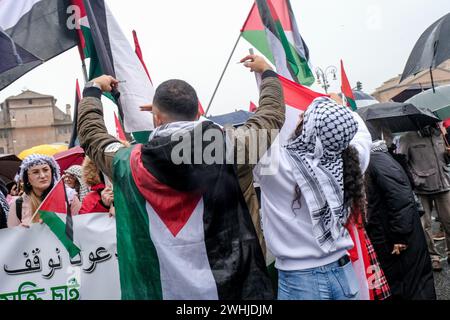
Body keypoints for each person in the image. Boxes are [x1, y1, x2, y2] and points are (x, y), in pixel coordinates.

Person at [77, 54, 282, 299]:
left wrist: (93, 89)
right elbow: (270, 116)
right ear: (198, 112)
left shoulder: (128, 163)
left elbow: (91, 135)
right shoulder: (233, 149)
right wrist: (268, 74)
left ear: (156, 117)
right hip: (236, 294)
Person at [253, 97, 372, 300]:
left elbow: (250, 137)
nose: (299, 116)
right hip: (344, 274)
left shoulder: (276, 164)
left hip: (300, 281)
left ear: (308, 129)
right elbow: (362, 133)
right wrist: (339, 107)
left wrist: (267, 76)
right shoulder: (352, 160)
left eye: (304, 117)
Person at [365, 124, 436, 300]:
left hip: (399, 240)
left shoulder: (376, 160)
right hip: (397, 236)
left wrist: (399, 236)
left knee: (412, 287)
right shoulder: (378, 158)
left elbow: (401, 198)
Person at [398, 126, 450, 271]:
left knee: (448, 221)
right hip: (421, 189)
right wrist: (414, 179)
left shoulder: (439, 135)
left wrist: (448, 154)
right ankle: (434, 257)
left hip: (443, 185)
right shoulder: (407, 137)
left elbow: (443, 160)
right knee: (425, 226)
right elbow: (402, 161)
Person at [7, 154, 61, 227]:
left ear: (52, 172)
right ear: (27, 178)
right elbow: (11, 236)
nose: (42, 176)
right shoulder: (17, 205)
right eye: (35, 172)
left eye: (45, 170)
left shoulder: (69, 198)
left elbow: (78, 229)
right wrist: (20, 232)